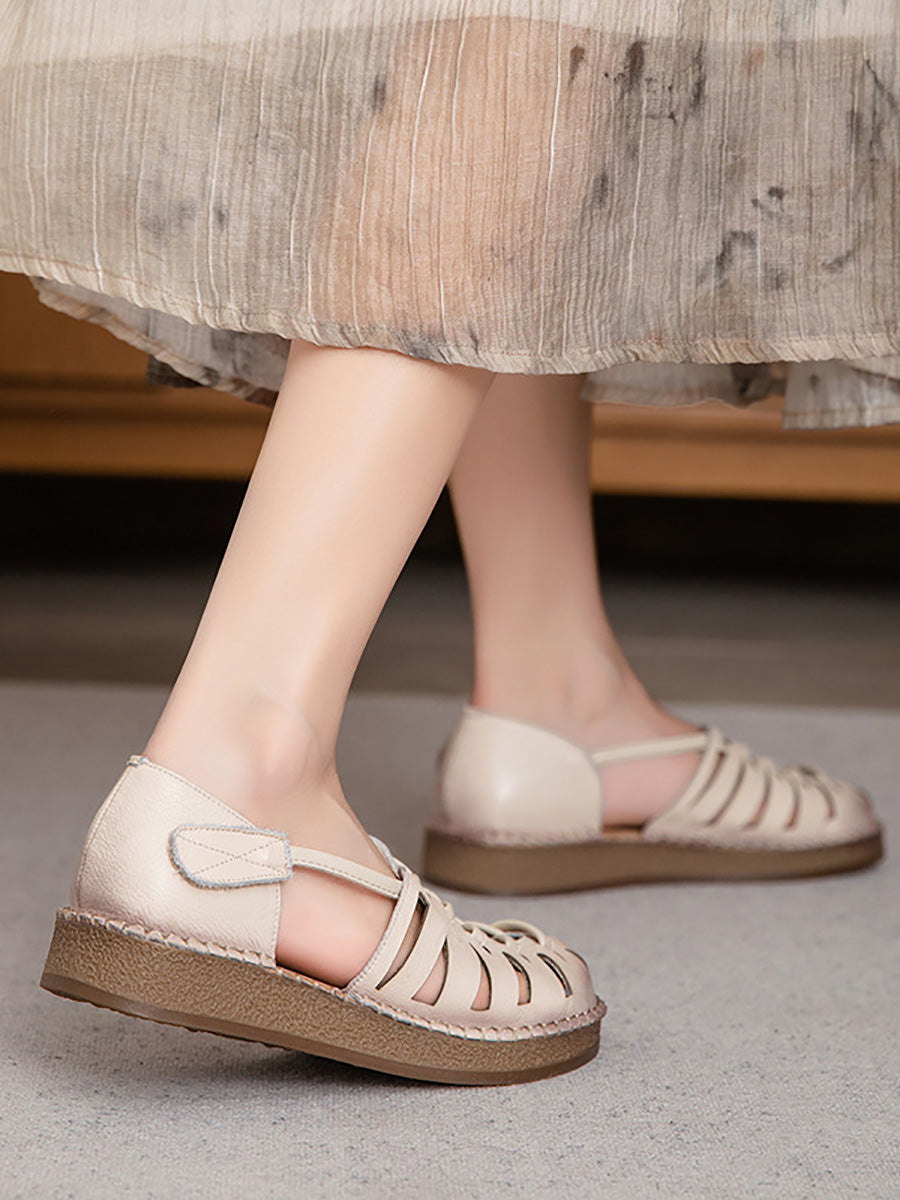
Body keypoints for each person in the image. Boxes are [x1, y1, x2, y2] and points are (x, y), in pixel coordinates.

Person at [1, 3, 891, 1084]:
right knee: (505, 35)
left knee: (573, 35)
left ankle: (556, 689)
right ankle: (243, 769)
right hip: (227, 820)